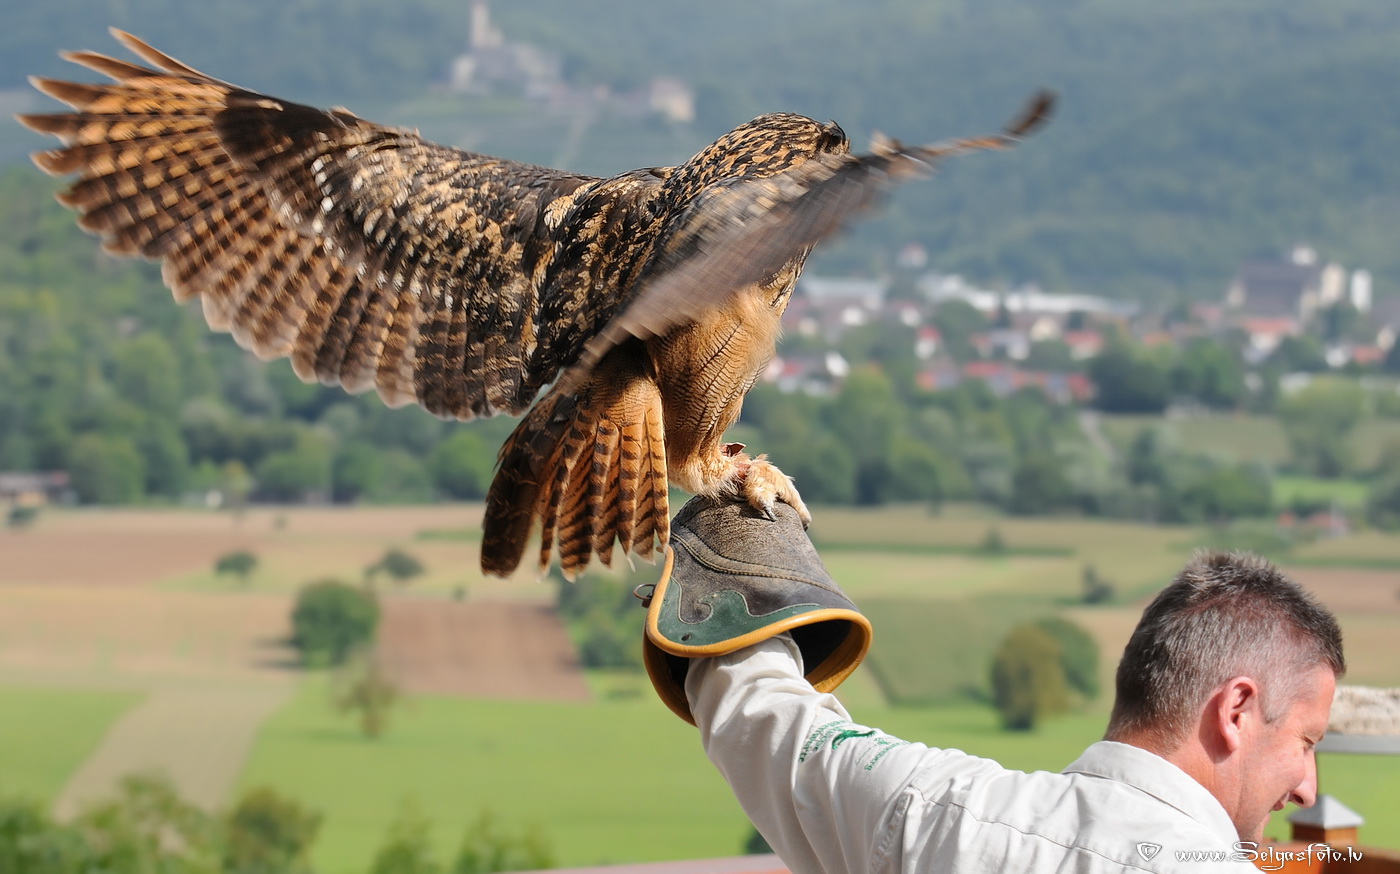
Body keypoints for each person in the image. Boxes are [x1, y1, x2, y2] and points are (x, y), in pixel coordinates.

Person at [642, 496, 1345, 874]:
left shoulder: (934, 813)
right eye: (1307, 740)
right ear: (1238, 709)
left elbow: (767, 723)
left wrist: (735, 510)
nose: (1309, 786)